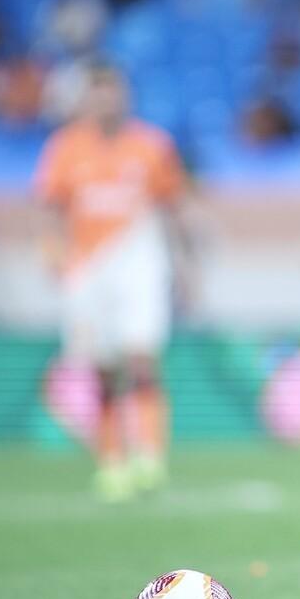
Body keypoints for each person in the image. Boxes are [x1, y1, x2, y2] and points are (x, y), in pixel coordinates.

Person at [35, 63, 191, 502]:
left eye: (113, 92)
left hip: (139, 259)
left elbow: (172, 205)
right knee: (102, 368)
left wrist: (184, 265)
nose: (106, 102)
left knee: (142, 356)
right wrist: (52, 253)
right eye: (98, 93)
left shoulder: (152, 145)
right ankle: (112, 462)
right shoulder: (65, 147)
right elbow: (50, 206)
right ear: (87, 100)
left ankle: (149, 457)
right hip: (88, 268)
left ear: (125, 97)